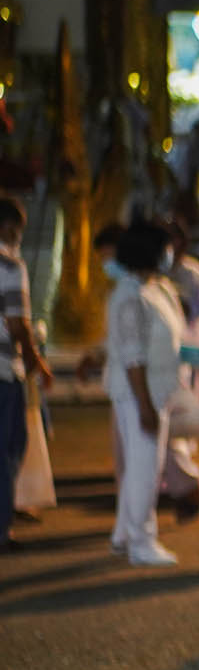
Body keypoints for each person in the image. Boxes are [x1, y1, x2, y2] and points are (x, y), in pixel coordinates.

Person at [103, 221, 188, 567]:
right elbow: (133, 357)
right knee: (144, 469)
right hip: (139, 393)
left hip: (155, 390)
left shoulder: (153, 289)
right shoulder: (130, 296)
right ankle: (141, 541)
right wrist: (145, 406)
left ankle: (124, 534)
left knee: (141, 466)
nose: (171, 253)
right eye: (166, 247)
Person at [0, 197, 54, 549]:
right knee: (8, 448)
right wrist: (37, 362)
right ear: (8, 228)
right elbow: (18, 323)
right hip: (4, 371)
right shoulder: (10, 266)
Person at [159, 219, 199, 517]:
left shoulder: (194, 275)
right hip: (163, 362)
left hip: (185, 355)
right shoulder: (155, 277)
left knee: (178, 423)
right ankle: (178, 481)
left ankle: (187, 482)